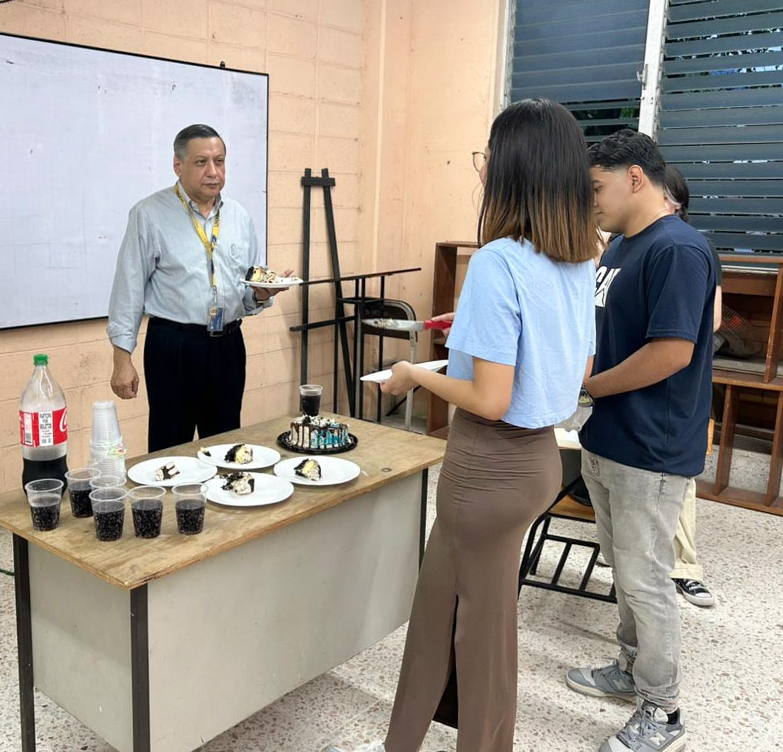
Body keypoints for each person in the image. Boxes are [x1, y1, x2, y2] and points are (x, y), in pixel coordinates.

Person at [326, 97, 598, 752]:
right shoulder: (579, 257)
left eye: (488, 156)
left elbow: (490, 399)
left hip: (487, 464)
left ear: (512, 168)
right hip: (537, 462)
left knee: (480, 637)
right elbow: (576, 364)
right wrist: (471, 341)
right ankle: (401, 741)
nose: (481, 168)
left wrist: (414, 374)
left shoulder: (499, 260)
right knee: (438, 612)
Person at [567, 130, 716, 752]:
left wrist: (591, 387)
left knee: (647, 578)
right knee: (626, 571)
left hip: (651, 446)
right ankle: (632, 669)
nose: (590, 201)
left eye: (596, 187)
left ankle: (663, 710)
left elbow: (672, 352)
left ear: (634, 177)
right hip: (609, 436)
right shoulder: (622, 247)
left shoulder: (677, 248)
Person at [107, 124, 292, 452]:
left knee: (226, 445)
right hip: (174, 345)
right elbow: (128, 288)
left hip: (227, 346)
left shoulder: (238, 216)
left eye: (219, 161)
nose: (213, 172)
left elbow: (249, 289)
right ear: (178, 166)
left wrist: (263, 293)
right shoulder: (149, 215)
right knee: (170, 447)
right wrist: (122, 359)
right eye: (201, 162)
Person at [663, 164, 719, 609]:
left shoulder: (690, 249)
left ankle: (685, 569)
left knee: (678, 482)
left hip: (676, 386)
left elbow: (712, 320)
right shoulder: (620, 244)